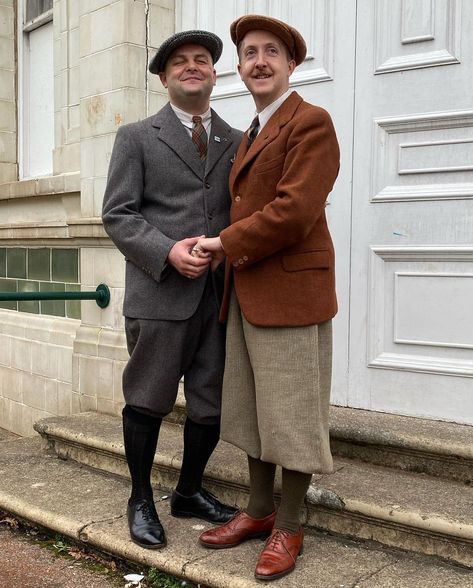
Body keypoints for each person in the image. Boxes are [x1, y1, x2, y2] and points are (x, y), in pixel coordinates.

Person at [195, 15, 340, 581]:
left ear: (291, 64)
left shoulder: (312, 122)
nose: (259, 61)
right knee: (253, 411)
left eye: (271, 52)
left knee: (294, 417)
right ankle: (257, 512)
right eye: (249, 52)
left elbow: (295, 211)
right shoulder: (252, 130)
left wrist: (222, 243)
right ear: (240, 67)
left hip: (291, 293)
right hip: (246, 292)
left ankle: (291, 523)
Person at [102, 30, 242, 550]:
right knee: (147, 399)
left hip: (219, 298)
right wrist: (166, 252)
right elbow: (118, 213)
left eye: (201, 60)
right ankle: (140, 499)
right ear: (163, 77)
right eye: (179, 62)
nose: (191, 67)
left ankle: (188, 491)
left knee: (209, 404)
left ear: (213, 73)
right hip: (159, 296)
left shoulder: (236, 138)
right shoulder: (136, 136)